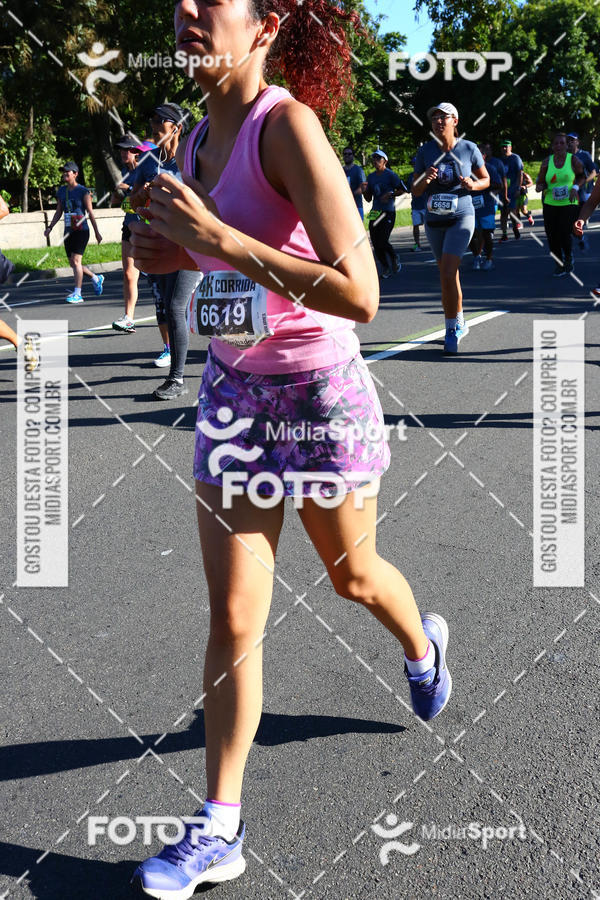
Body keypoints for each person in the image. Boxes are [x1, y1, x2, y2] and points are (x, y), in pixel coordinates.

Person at [129, 0, 452, 894]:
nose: (188, 14)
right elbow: (214, 264)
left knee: (352, 577)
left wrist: (218, 240)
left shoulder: (289, 128)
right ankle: (219, 827)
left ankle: (421, 648)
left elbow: (361, 292)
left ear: (264, 26)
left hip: (316, 396)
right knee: (235, 618)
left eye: (212, 3)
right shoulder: (193, 142)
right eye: (182, 3)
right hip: (235, 394)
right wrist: (173, 256)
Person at [130, 108, 203, 396]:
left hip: (189, 245)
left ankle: (177, 379)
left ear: (177, 127)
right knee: (168, 312)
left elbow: (206, 197)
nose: (154, 126)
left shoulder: (192, 160)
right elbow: (134, 202)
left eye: (160, 121)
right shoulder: (148, 161)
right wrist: (142, 194)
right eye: (152, 121)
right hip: (159, 245)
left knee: (176, 307)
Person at [412, 102, 489, 353]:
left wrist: (472, 185)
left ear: (455, 121)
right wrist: (426, 178)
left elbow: (486, 179)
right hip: (434, 219)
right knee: (448, 274)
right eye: (434, 118)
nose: (438, 121)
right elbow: (415, 189)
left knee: (447, 272)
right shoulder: (425, 151)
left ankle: (451, 329)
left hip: (462, 216)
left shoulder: (469, 148)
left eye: (443, 117)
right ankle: (460, 318)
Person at [43, 162, 104, 303]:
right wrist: (50, 227)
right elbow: (59, 212)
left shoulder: (83, 191)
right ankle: (96, 278)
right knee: (73, 263)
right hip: (68, 231)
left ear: (75, 174)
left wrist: (97, 232)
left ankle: (78, 293)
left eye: (67, 171)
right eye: (63, 172)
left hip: (81, 231)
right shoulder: (61, 191)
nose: (65, 174)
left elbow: (90, 212)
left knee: (76, 261)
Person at [535, 132, 585, 276]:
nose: (559, 146)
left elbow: (582, 177)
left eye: (562, 143)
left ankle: (568, 258)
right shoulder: (546, 162)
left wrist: (575, 188)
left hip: (569, 202)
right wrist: (540, 187)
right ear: (552, 146)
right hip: (550, 202)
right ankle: (558, 263)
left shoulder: (573, 160)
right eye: (556, 143)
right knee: (552, 235)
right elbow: (540, 182)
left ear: (567, 145)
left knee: (564, 232)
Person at [111, 135, 142, 333]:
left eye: (127, 150)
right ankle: (128, 318)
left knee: (162, 278)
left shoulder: (144, 170)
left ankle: (179, 312)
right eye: (121, 150)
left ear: (136, 151)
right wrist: (117, 196)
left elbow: (150, 191)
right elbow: (125, 202)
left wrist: (129, 188)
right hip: (129, 225)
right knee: (128, 274)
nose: (124, 153)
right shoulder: (124, 171)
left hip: (148, 227)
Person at [364, 149, 404, 278]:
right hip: (375, 211)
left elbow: (403, 189)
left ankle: (394, 257)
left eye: (378, 159)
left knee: (382, 240)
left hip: (388, 211)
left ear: (385, 161)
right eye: (374, 159)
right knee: (375, 242)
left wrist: (391, 194)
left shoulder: (391, 175)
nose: (375, 161)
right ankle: (385, 267)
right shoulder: (371, 177)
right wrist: (364, 191)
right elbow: (369, 198)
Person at [470, 144, 503, 271]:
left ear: (483, 156)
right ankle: (476, 256)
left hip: (486, 205)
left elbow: (498, 185)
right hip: (470, 206)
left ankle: (489, 258)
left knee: (487, 233)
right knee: (470, 234)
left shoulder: (490, 168)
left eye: (478, 155)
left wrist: (483, 186)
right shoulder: (466, 169)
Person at [566, 132, 598, 252]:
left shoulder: (584, 155)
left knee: (580, 214)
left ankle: (581, 230)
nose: (570, 142)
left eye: (572, 140)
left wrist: (582, 182)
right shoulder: (564, 156)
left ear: (577, 142)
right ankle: (580, 236)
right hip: (570, 191)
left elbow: (594, 172)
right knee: (570, 218)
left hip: (584, 190)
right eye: (568, 140)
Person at [498, 139, 523, 241]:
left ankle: (515, 228)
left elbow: (520, 173)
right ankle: (504, 234)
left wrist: (518, 188)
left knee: (512, 212)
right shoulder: (499, 160)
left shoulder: (515, 158)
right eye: (502, 147)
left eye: (506, 146)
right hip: (502, 191)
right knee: (503, 213)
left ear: (510, 147)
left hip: (513, 190)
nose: (504, 148)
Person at [342, 147, 366, 220]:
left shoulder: (358, 170)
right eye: (345, 154)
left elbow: (363, 187)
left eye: (349, 154)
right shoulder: (340, 170)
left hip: (357, 207)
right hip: (343, 208)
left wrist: (351, 195)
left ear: (353, 156)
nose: (347, 155)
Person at [407, 157, 426, 251]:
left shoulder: (426, 175)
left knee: (430, 226)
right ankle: (417, 245)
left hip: (426, 205)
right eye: (413, 164)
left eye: (416, 164)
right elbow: (407, 189)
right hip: (415, 205)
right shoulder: (410, 176)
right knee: (415, 226)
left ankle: (435, 244)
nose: (414, 166)